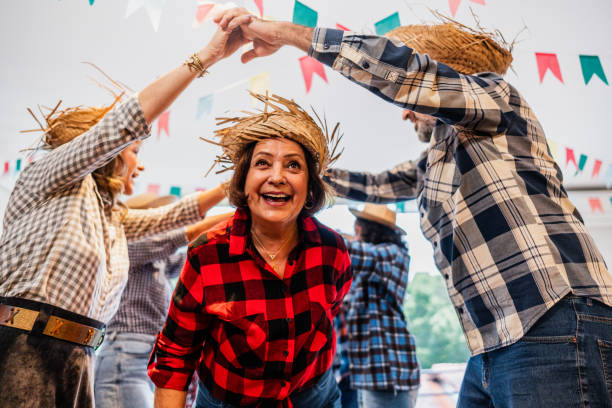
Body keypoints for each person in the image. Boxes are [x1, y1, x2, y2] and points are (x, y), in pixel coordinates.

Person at [216, 9, 612, 406]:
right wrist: (289, 170)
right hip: (493, 342)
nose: (405, 112)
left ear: (444, 76)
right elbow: (371, 185)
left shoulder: (497, 101)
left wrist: (282, 33)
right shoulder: (432, 163)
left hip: (554, 316)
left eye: (412, 103)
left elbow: (404, 76)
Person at [0, 15, 252, 408]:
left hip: (78, 355)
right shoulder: (49, 175)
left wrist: (243, 191)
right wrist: (207, 56)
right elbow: (123, 124)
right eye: (135, 151)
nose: (140, 163)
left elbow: (175, 220)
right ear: (105, 151)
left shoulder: (109, 216)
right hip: (24, 347)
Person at [147, 93, 352, 407]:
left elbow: (332, 309)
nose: (277, 177)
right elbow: (175, 359)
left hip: (314, 396)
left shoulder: (332, 249)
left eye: (293, 165)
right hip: (228, 399)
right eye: (263, 163)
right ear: (243, 182)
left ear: (309, 186)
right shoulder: (207, 254)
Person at [94, 192, 234, 408]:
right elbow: (191, 235)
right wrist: (244, 213)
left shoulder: (158, 257)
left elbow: (194, 254)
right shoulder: (129, 245)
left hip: (142, 355)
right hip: (125, 352)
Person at [339, 204, 419, 408]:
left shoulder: (393, 255)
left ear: (363, 228)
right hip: (371, 371)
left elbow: (357, 253)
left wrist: (330, 236)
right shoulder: (370, 272)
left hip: (388, 369)